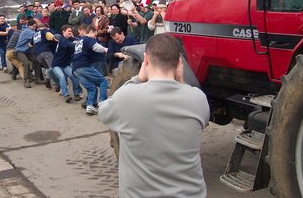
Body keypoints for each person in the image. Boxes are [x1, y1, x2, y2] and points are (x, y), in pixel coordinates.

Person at [98, 33, 210, 198]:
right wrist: (182, 82)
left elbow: (103, 113)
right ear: (179, 63)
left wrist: (136, 79)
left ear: (146, 60)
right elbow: (202, 122)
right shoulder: (198, 99)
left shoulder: (127, 97)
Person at [72, 26, 108, 116]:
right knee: (103, 81)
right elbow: (96, 47)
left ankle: (90, 106)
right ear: (91, 32)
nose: (95, 37)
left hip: (75, 69)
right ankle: (103, 102)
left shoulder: (80, 42)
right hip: (84, 66)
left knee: (92, 87)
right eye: (95, 35)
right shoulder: (88, 39)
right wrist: (106, 49)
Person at [52, 25, 82, 103]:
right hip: (57, 65)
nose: (70, 32)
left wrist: (74, 38)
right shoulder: (62, 40)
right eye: (69, 31)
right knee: (62, 77)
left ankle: (76, 94)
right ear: (63, 32)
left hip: (65, 64)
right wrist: (77, 43)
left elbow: (78, 40)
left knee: (73, 76)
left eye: (71, 31)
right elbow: (71, 45)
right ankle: (66, 95)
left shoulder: (69, 38)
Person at [15, 18, 43, 88]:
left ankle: (37, 78)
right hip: (20, 51)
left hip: (27, 51)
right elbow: (37, 36)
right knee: (26, 63)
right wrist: (44, 31)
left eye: (35, 27)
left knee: (37, 61)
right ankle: (26, 81)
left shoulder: (30, 30)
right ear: (29, 26)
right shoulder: (27, 31)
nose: (34, 28)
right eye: (33, 26)